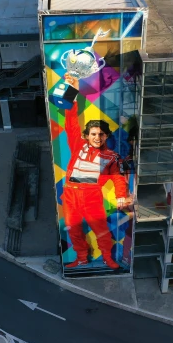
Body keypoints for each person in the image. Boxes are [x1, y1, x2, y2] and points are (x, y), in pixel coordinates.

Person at [62, 75, 133, 269]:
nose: (97, 137)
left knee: (101, 230)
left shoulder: (110, 156)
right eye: (93, 133)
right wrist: (72, 90)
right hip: (70, 194)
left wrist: (120, 196)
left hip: (92, 196)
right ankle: (82, 258)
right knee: (74, 230)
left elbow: (118, 179)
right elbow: (70, 120)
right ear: (87, 135)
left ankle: (107, 258)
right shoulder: (78, 145)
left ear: (106, 136)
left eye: (101, 134)